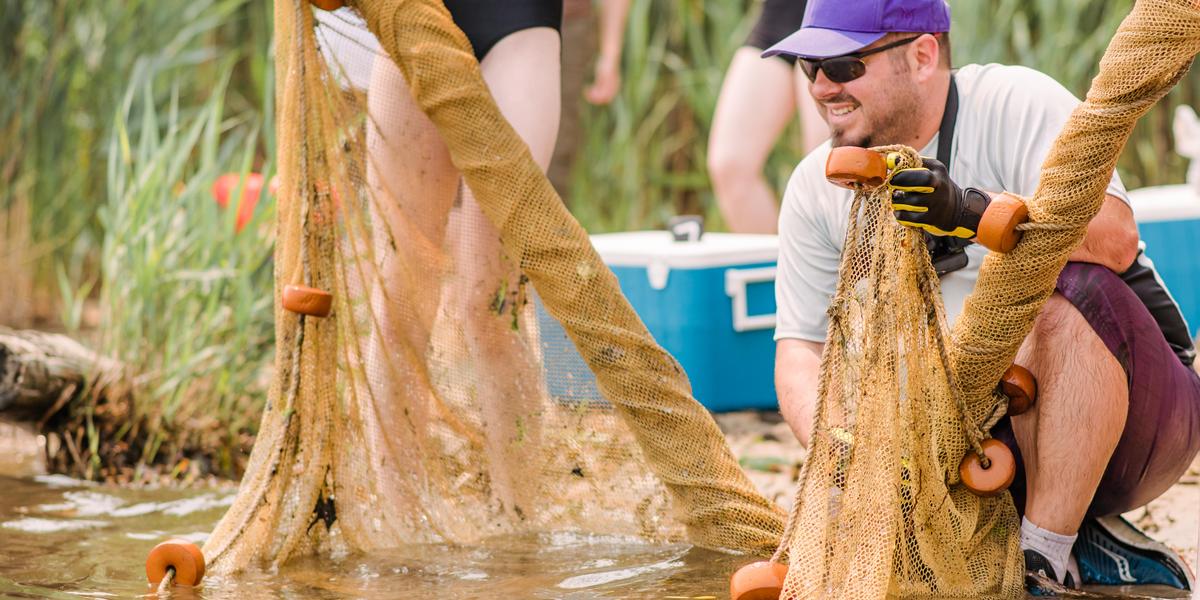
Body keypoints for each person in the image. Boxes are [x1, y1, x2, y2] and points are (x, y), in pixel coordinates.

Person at [765, 0, 1200, 594]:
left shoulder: (1014, 102)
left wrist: (971, 212)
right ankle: (1068, 536)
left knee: (1060, 295)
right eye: (807, 65)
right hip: (979, 438)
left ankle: (1043, 559)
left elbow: (1118, 240)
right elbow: (801, 353)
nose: (820, 88)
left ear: (921, 55)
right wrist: (847, 455)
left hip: (1142, 417)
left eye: (841, 65)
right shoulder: (814, 189)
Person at [707, 0, 829, 234]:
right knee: (731, 165)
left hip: (835, 15)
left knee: (824, 167)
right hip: (781, 12)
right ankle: (776, 267)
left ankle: (832, 266)